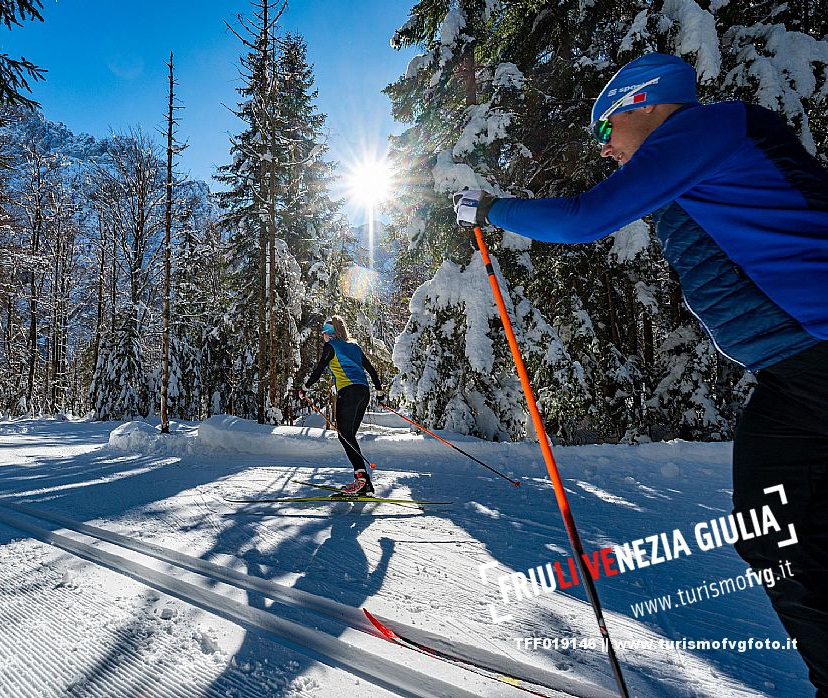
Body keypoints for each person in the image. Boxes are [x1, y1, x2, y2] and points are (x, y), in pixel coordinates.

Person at [454, 52, 828, 696]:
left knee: (777, 529)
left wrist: (492, 209)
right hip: (796, 371)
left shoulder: (705, 129)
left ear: (645, 104)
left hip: (817, 353)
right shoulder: (696, 159)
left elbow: (583, 218)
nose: (603, 149)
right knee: (773, 529)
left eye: (606, 130)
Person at [296, 315, 385, 497]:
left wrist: (305, 388)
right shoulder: (355, 346)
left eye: (323, 333)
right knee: (348, 436)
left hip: (349, 392)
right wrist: (380, 392)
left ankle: (361, 480)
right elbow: (371, 370)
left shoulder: (331, 346)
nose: (322, 336)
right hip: (363, 393)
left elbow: (319, 369)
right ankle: (364, 481)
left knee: (345, 436)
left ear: (330, 333)